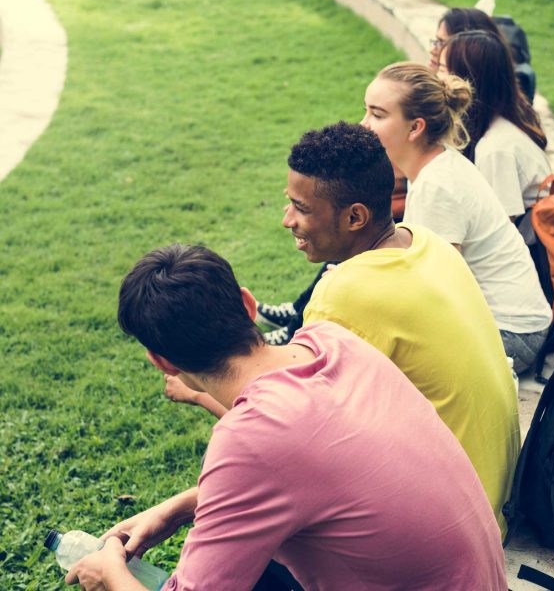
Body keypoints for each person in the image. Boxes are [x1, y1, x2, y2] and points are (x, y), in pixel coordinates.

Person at [65, 243, 508, 591]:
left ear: (161, 362)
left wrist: (109, 572)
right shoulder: (333, 341)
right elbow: (316, 473)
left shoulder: (251, 438)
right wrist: (178, 508)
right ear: (248, 304)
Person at [166, 122, 520, 536]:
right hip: (492, 494)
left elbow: (291, 435)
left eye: (301, 208)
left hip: (453, 521)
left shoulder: (344, 295)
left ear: (354, 217)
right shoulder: (425, 241)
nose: (287, 220)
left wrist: (199, 392)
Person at [361, 62, 551, 373]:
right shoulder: (435, 166)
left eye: (377, 115)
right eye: (366, 111)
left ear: (415, 128)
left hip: (510, 335)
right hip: (507, 325)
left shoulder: (437, 186)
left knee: (371, 355)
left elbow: (440, 291)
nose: (364, 124)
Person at [439, 30, 552, 220]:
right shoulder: (503, 126)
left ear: (466, 79)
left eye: (442, 70)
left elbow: (501, 227)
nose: (436, 77)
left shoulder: (495, 149)